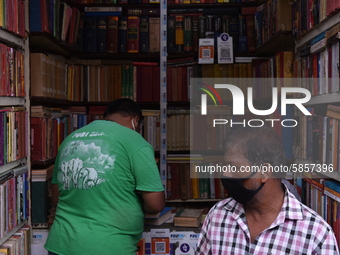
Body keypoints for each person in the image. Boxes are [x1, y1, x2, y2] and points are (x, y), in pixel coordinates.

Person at [45, 98, 165, 255]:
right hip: (108, 246)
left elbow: (57, 198)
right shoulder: (135, 141)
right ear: (136, 121)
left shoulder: (70, 139)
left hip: (61, 244)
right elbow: (155, 204)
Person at [196, 126, 339, 254]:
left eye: (234, 167)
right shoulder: (217, 215)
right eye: (224, 165)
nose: (225, 173)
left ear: (265, 171)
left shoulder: (317, 235)